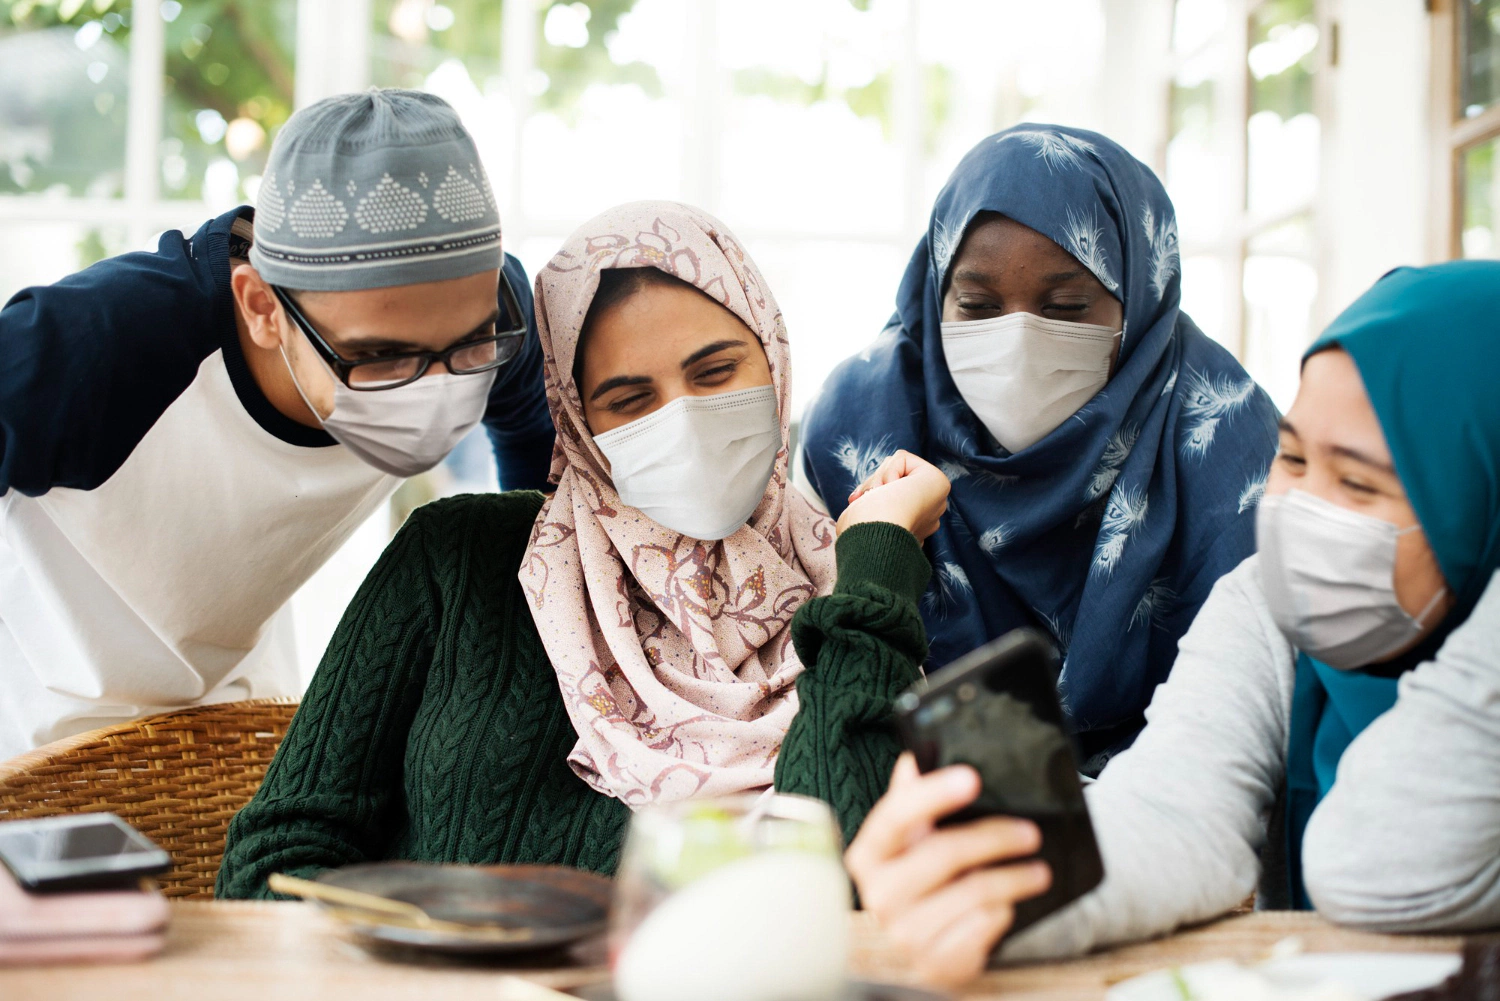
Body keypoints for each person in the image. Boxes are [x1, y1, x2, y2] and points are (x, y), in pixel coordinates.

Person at [216, 201, 951, 897]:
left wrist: (879, 560)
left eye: (716, 372)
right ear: (576, 419)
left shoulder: (844, 595)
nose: (684, 420)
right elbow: (275, 859)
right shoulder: (458, 560)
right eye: (630, 401)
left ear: (775, 363)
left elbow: (850, 875)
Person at [843, 261, 1500, 987]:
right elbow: (1178, 809)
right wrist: (1016, 882)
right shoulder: (1270, 605)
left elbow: (1374, 865)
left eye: (1358, 481)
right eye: (1293, 456)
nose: (1300, 509)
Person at [0, 89, 556, 761]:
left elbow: (535, 457)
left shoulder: (498, 312)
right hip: (35, 714)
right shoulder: (97, 345)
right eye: (381, 357)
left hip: (236, 706)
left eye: (469, 347)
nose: (436, 393)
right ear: (262, 306)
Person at [798, 125, 1280, 767]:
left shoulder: (1221, 432)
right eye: (975, 304)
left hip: (1178, 801)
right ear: (936, 290)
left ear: (1138, 301)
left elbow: (1252, 721)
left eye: (1068, 305)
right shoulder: (860, 422)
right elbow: (823, 698)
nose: (1018, 339)